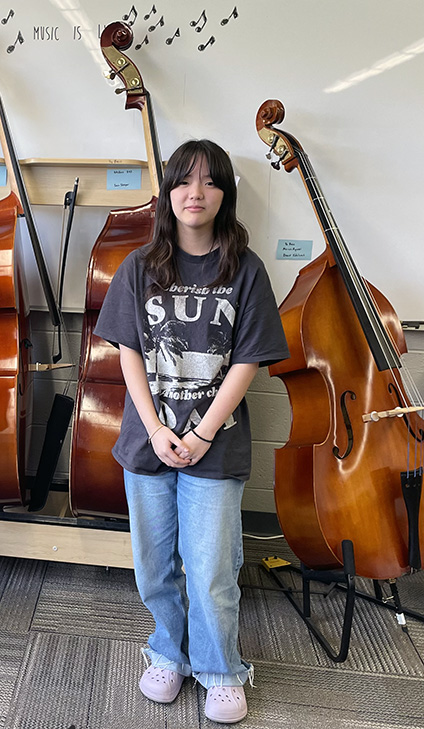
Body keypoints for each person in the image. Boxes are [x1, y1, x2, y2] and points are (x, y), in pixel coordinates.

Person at [95, 140, 289, 723]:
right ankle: (168, 652)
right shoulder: (139, 266)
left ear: (225, 193)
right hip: (147, 440)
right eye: (183, 181)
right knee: (155, 565)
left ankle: (221, 668)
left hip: (216, 443)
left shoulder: (246, 270)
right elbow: (129, 352)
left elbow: (247, 361)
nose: (194, 193)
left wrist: (202, 433)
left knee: (210, 568)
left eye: (208, 182)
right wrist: (155, 429)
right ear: (167, 193)